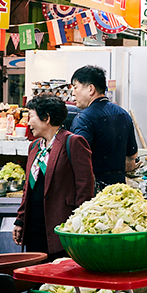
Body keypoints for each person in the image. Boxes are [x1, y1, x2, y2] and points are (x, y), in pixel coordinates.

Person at [13, 95, 95, 259]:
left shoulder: (73, 142)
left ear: (46, 118)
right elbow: (27, 188)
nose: (28, 123)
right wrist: (20, 220)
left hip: (60, 230)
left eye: (31, 117)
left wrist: (76, 227)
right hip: (33, 229)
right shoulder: (34, 147)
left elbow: (85, 189)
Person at [70, 65, 138, 189]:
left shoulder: (83, 118)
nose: (73, 93)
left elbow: (77, 159)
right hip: (118, 190)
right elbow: (132, 156)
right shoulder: (123, 114)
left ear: (90, 89)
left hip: (94, 191)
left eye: (75, 87)